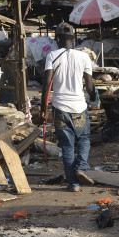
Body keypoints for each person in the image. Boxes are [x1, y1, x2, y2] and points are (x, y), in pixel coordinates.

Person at [41, 22, 97, 192]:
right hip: (79, 107)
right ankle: (81, 167)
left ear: (58, 39)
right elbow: (89, 86)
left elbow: (47, 84)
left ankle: (73, 183)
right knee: (84, 140)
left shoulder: (52, 56)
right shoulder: (84, 57)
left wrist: (43, 107)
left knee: (67, 146)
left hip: (60, 108)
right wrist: (94, 98)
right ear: (73, 40)